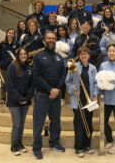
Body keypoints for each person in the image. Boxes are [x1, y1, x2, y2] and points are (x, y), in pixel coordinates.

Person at [32, 31, 66, 159]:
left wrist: (57, 89)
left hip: (56, 96)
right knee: (38, 123)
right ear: (44, 40)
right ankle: (36, 147)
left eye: (53, 38)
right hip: (42, 96)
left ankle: (54, 143)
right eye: (49, 38)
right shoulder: (38, 56)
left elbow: (63, 73)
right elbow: (36, 76)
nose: (51, 40)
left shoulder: (59, 57)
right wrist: (50, 89)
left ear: (55, 40)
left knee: (56, 122)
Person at [65, 46, 98, 157]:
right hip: (78, 99)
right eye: (81, 54)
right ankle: (78, 147)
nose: (84, 55)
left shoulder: (93, 68)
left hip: (90, 100)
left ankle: (87, 146)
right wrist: (72, 89)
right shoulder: (73, 66)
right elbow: (68, 81)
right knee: (79, 124)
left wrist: (95, 95)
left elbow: (96, 84)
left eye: (85, 53)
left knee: (88, 123)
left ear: (89, 55)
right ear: (78, 56)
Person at [6, 47, 34, 156]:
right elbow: (9, 86)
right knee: (16, 124)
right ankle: (13, 146)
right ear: (18, 56)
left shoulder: (29, 68)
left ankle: (19, 144)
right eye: (21, 54)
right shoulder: (12, 66)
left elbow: (32, 85)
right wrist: (20, 99)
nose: (23, 55)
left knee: (22, 124)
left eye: (25, 54)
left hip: (26, 100)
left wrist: (27, 98)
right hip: (14, 101)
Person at [0, 28, 18, 104]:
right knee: (3, 84)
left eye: (12, 33)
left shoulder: (16, 44)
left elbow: (18, 56)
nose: (11, 34)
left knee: (13, 84)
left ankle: (12, 99)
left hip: (12, 67)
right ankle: (2, 99)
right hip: (3, 67)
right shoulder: (2, 44)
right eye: (10, 33)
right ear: (7, 34)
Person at [57, 25, 73, 106]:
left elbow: (71, 52)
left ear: (65, 31)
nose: (61, 32)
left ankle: (63, 98)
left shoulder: (69, 40)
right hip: (56, 64)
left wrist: (65, 53)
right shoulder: (56, 40)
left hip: (66, 64)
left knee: (64, 81)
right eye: (59, 30)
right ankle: (58, 97)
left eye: (63, 30)